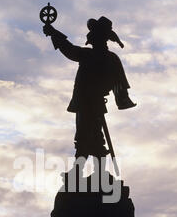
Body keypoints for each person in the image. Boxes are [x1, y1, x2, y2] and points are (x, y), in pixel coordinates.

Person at [43, 16, 136, 176]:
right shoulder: (111, 58)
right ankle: (93, 172)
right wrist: (53, 32)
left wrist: (53, 33)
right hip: (95, 103)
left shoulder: (91, 56)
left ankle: (80, 172)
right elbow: (121, 86)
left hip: (88, 103)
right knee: (93, 138)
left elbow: (69, 49)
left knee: (85, 138)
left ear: (96, 38)